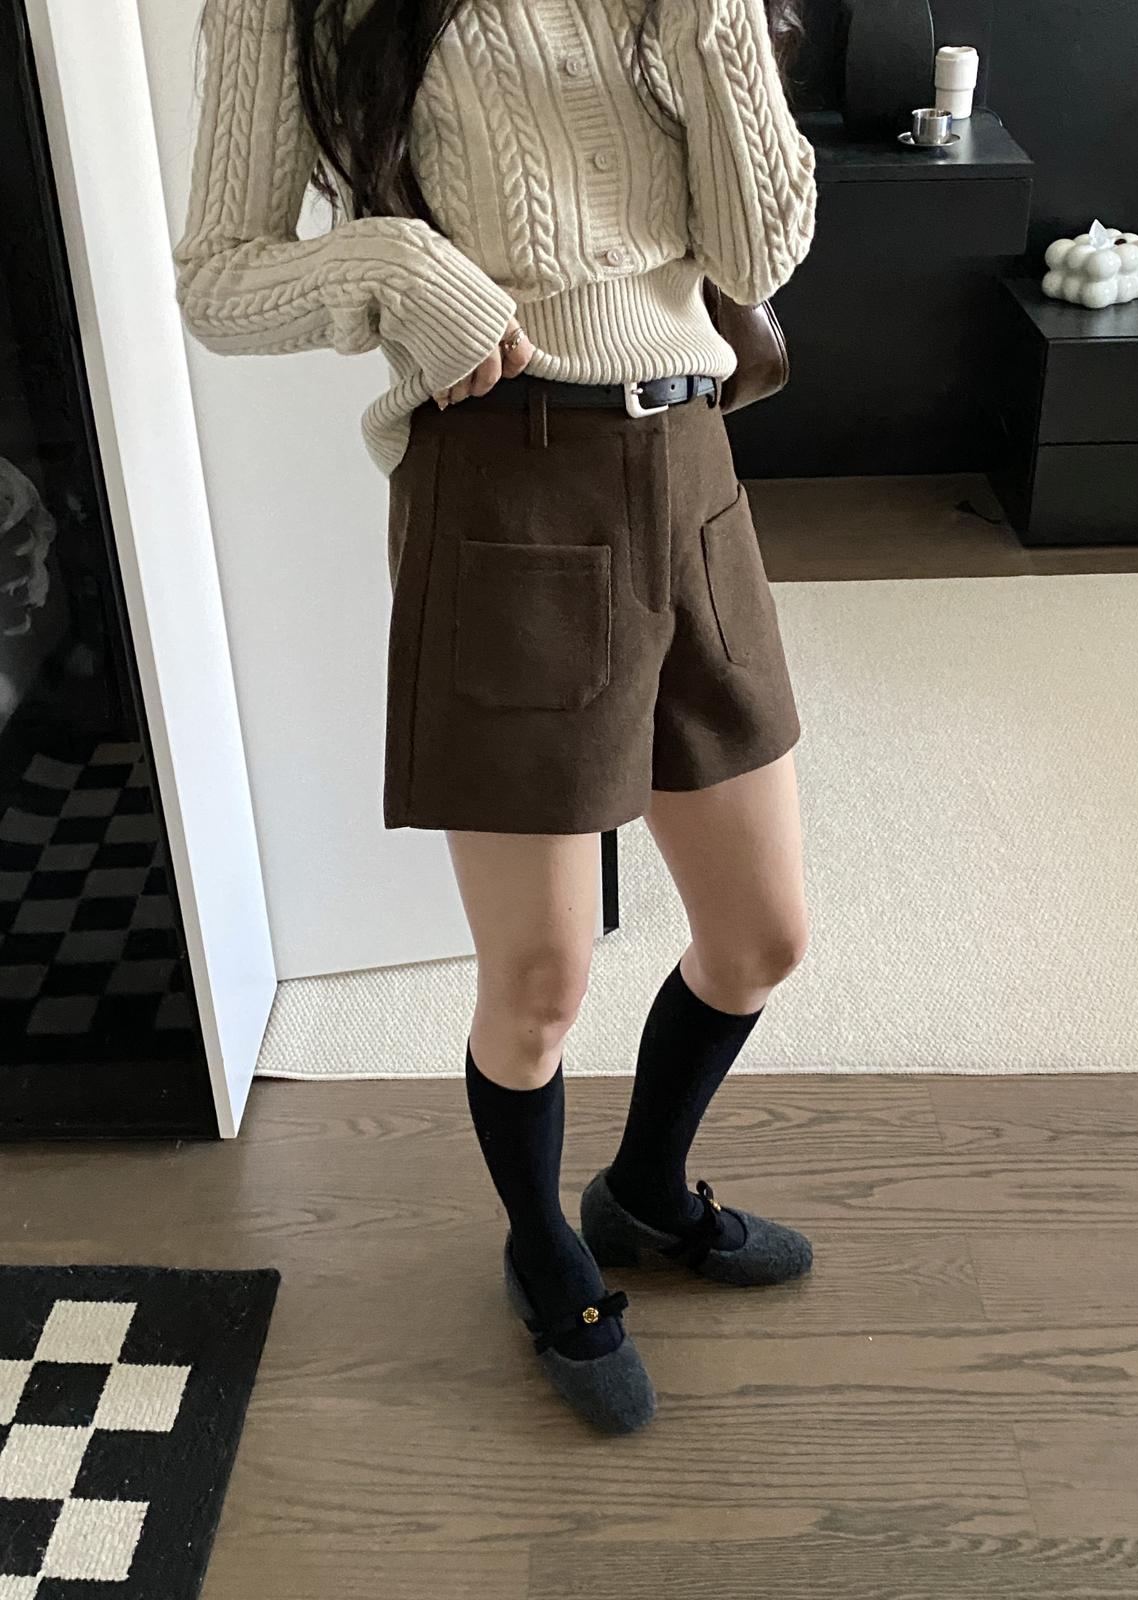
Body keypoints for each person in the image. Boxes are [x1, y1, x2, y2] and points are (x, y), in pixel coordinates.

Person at [175, 0, 818, 1434]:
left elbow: (762, 253)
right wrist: (403, 266)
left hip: (693, 467)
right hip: (506, 485)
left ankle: (644, 1192)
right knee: (540, 980)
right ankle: (543, 1248)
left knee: (762, 935)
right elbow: (216, 281)